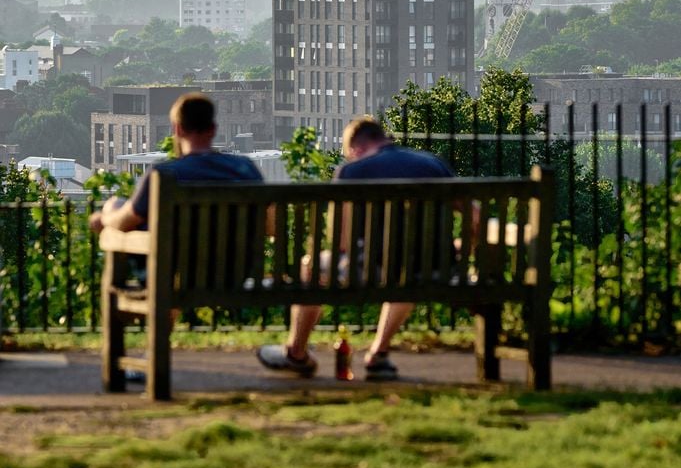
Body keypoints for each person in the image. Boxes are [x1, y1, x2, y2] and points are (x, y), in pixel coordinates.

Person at [257, 116, 452, 381]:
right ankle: (378, 355)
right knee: (405, 269)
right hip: (433, 267)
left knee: (310, 266)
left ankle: (296, 353)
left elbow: (342, 243)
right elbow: (474, 217)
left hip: (373, 268)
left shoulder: (354, 171)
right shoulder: (433, 164)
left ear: (355, 148)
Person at [88, 92, 263, 235]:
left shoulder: (164, 174)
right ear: (213, 129)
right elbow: (267, 223)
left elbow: (125, 221)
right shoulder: (245, 168)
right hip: (236, 275)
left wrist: (104, 218)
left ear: (177, 129)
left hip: (176, 275)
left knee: (115, 205)